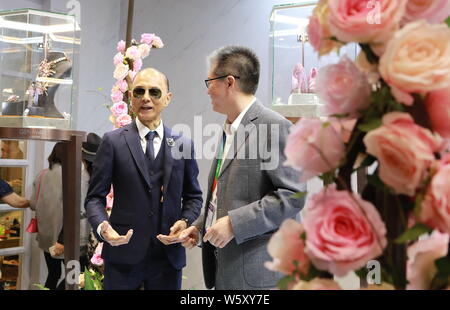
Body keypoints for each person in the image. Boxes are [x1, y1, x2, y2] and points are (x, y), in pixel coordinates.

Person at [177, 46, 305, 289]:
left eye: (210, 81)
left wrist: (235, 224)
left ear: (229, 82)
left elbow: (292, 196)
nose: (207, 90)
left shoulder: (274, 126)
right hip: (227, 272)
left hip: (260, 277)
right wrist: (200, 226)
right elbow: (227, 196)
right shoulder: (230, 129)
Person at [85, 67, 203, 290]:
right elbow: (94, 198)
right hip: (123, 255)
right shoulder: (113, 142)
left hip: (168, 258)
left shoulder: (183, 144)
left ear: (167, 99)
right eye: (139, 92)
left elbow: (194, 196)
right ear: (131, 98)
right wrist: (103, 227)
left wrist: (185, 220)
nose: (146, 98)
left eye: (154, 92)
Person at [29, 140, 93, 290]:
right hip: (69, 240)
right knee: (75, 278)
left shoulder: (42, 175)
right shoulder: (78, 176)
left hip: (46, 238)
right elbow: (80, 209)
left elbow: (33, 204)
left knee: (53, 274)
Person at [50, 133, 103, 280]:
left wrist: (62, 239)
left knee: (77, 279)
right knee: (86, 277)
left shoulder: (81, 177)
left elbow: (73, 210)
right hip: (97, 235)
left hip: (83, 237)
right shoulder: (100, 174)